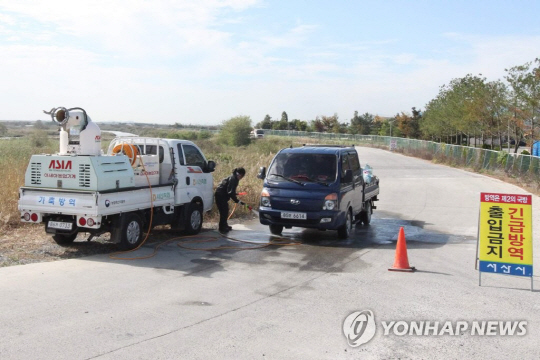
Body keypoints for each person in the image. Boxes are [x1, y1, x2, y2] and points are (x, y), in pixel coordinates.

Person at [214, 167, 246, 233]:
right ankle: (222, 228)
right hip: (220, 196)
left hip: (222, 195)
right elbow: (230, 192)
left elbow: (230, 191)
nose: (241, 178)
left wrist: (235, 194)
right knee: (224, 212)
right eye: (242, 176)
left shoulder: (234, 177)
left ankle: (225, 225)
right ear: (240, 175)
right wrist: (237, 200)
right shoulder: (233, 179)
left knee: (225, 211)